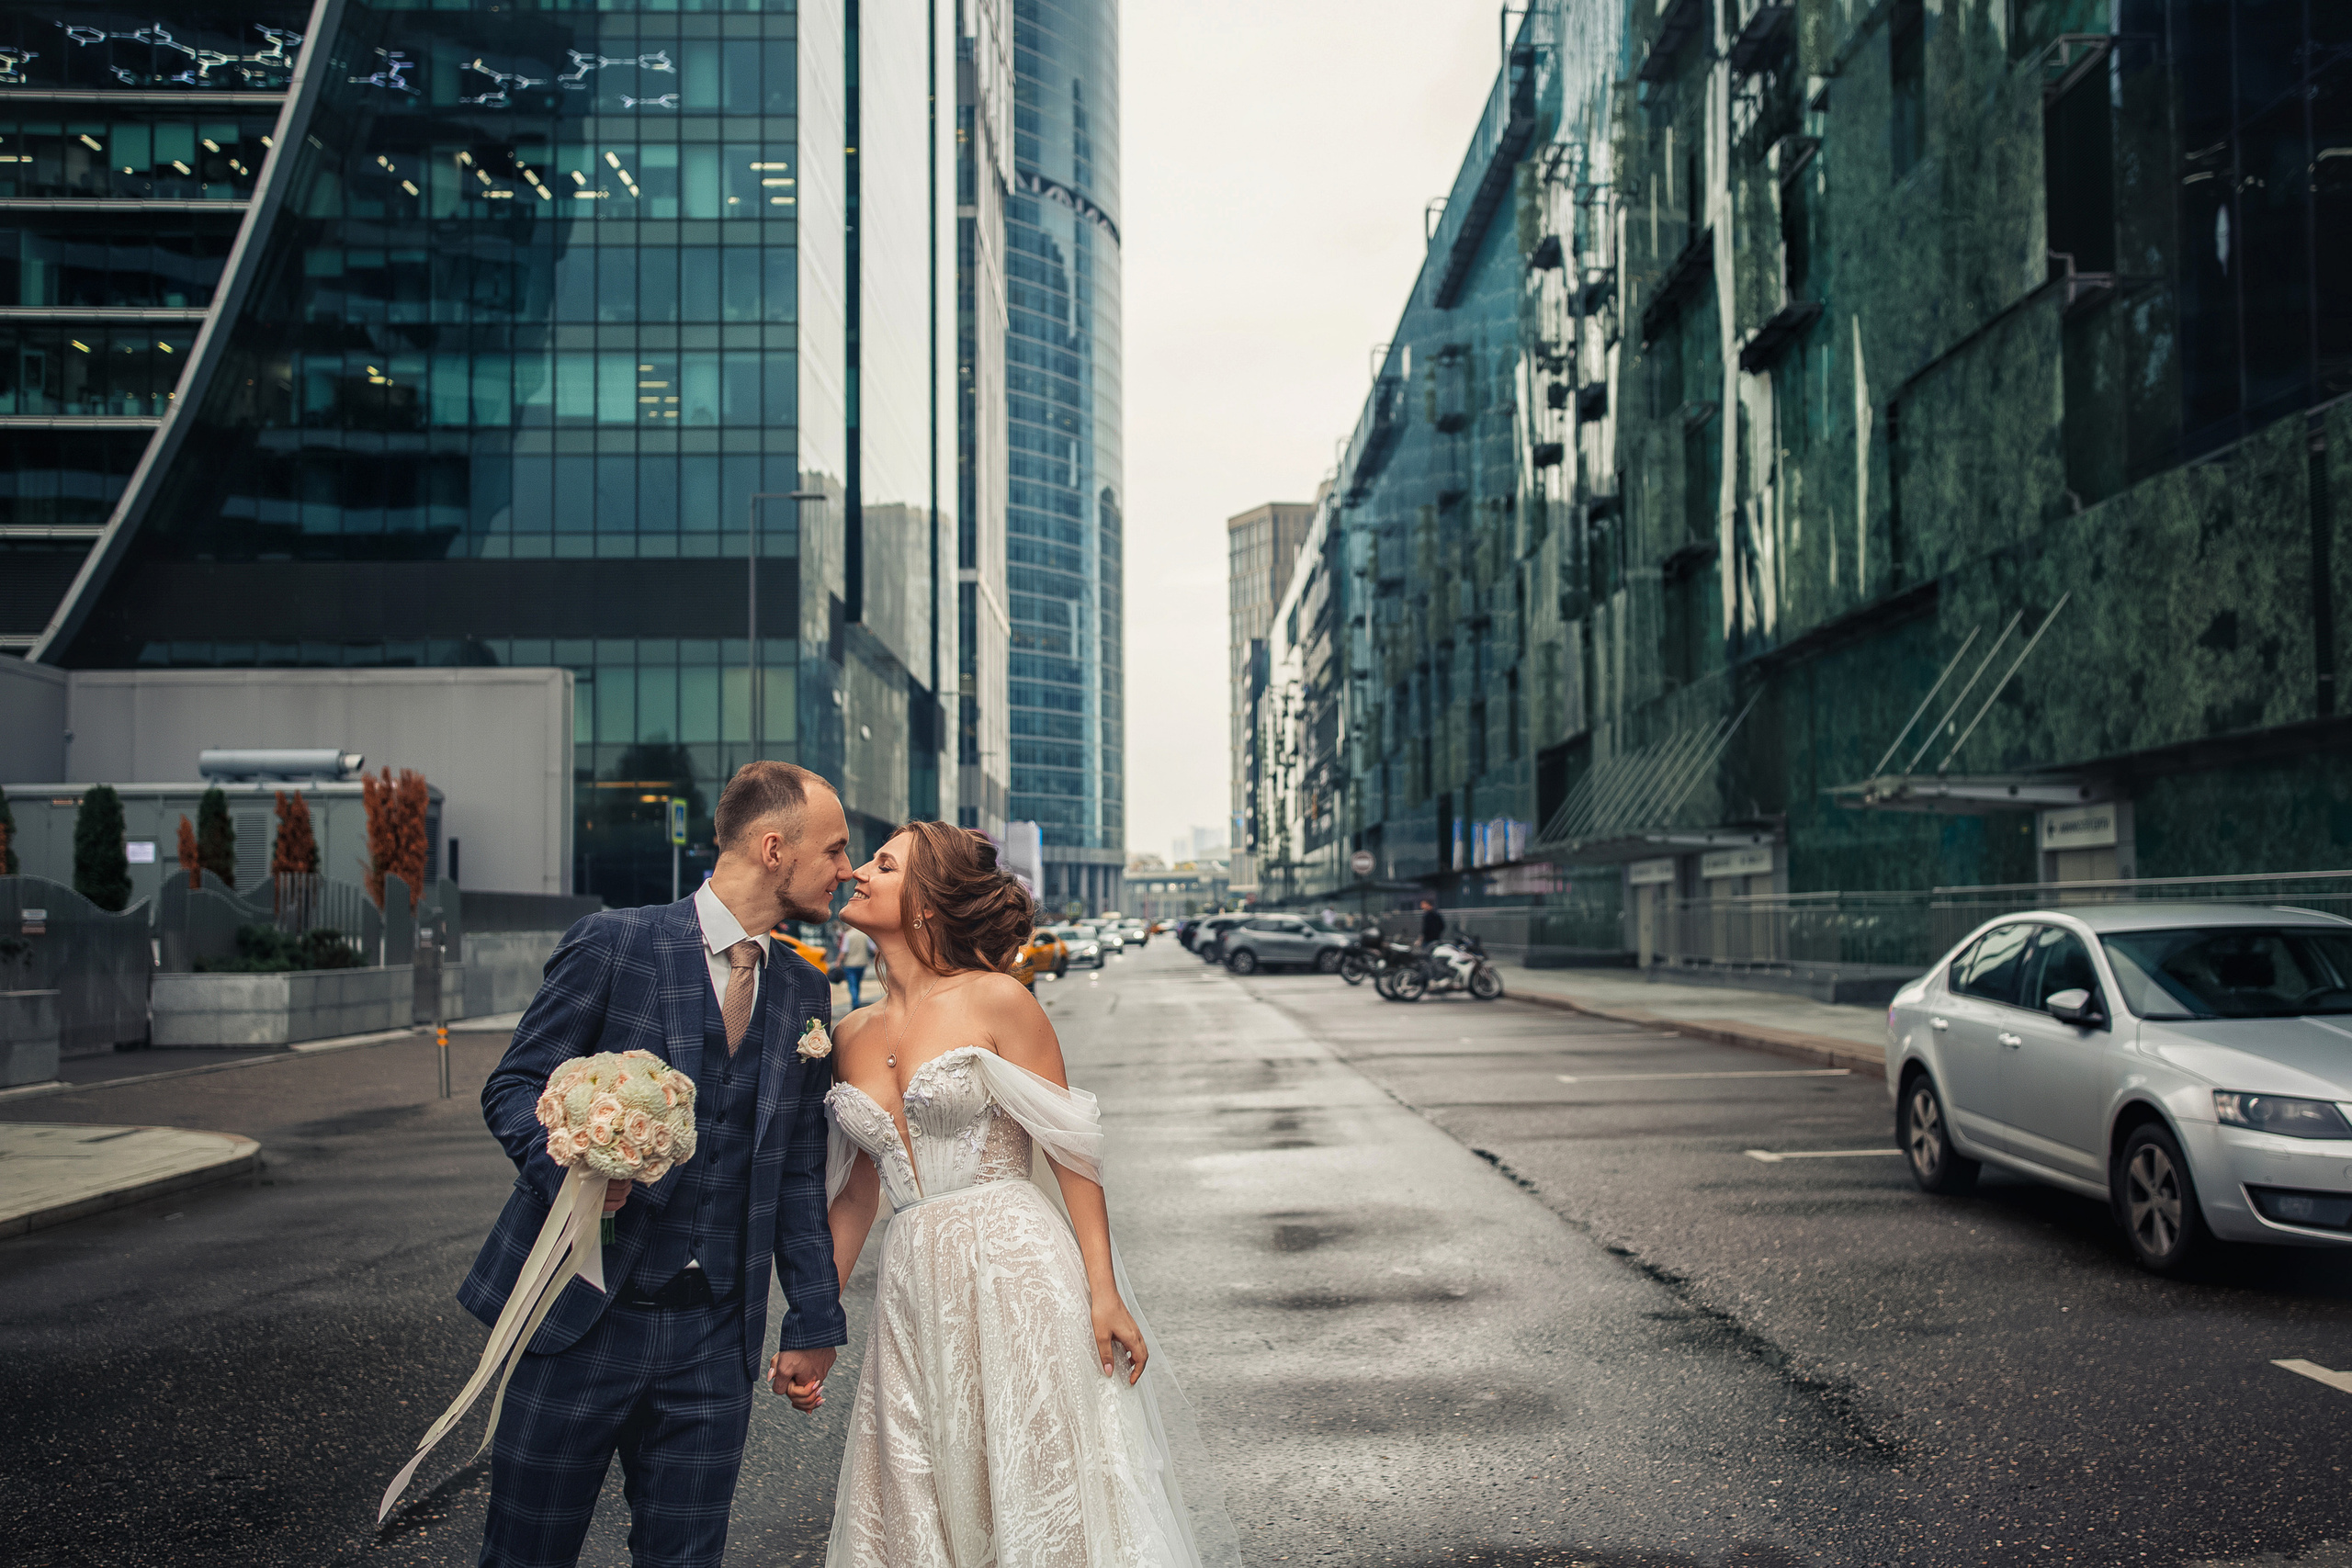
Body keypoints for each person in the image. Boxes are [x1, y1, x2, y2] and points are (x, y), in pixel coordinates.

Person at [462, 761, 854, 1568]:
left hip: (713, 1337)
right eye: (837, 849)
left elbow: (795, 1170)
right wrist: (575, 1170)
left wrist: (814, 1316)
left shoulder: (808, 994)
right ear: (775, 848)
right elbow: (512, 1086)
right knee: (525, 1554)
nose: (846, 870)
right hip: (578, 1319)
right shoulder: (618, 944)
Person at [811, 820, 1235, 1567]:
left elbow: (1071, 1151)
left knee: (1038, 1475)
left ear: (924, 904)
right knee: (925, 1482)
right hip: (912, 1285)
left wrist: (1103, 1290)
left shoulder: (999, 1000)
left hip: (1016, 1270)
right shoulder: (848, 1033)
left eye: (882, 864)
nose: (858, 874)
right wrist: (816, 1321)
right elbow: (853, 1195)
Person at [836, 920, 871, 1010]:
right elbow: (873, 948)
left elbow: (844, 951)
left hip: (850, 964)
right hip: (862, 963)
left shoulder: (847, 935)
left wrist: (838, 961)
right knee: (858, 983)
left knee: (852, 984)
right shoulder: (865, 935)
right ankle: (856, 1000)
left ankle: (855, 1002)